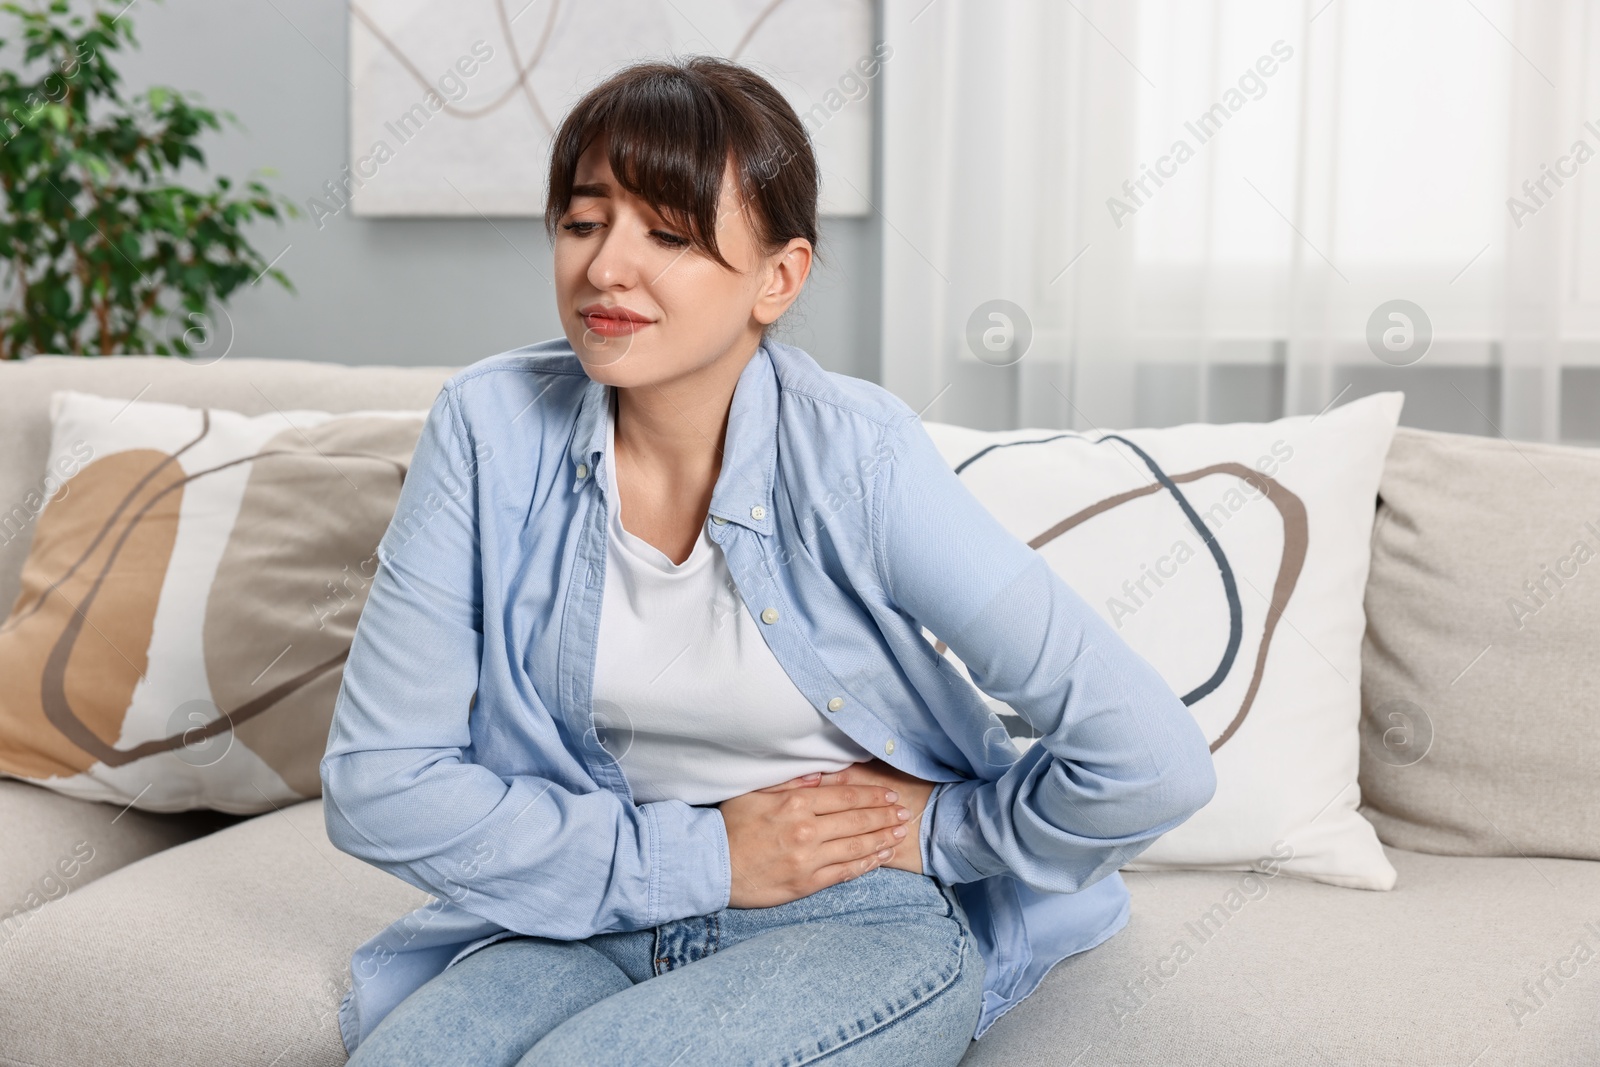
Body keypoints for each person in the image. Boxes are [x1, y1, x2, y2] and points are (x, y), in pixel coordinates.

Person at [320, 55, 1216, 1066]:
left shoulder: (858, 458)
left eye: (668, 232)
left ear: (776, 278)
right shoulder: (487, 429)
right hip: (585, 909)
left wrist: (941, 836)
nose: (607, 267)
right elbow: (379, 783)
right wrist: (702, 856)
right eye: (583, 222)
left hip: (851, 916)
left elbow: (1149, 757)